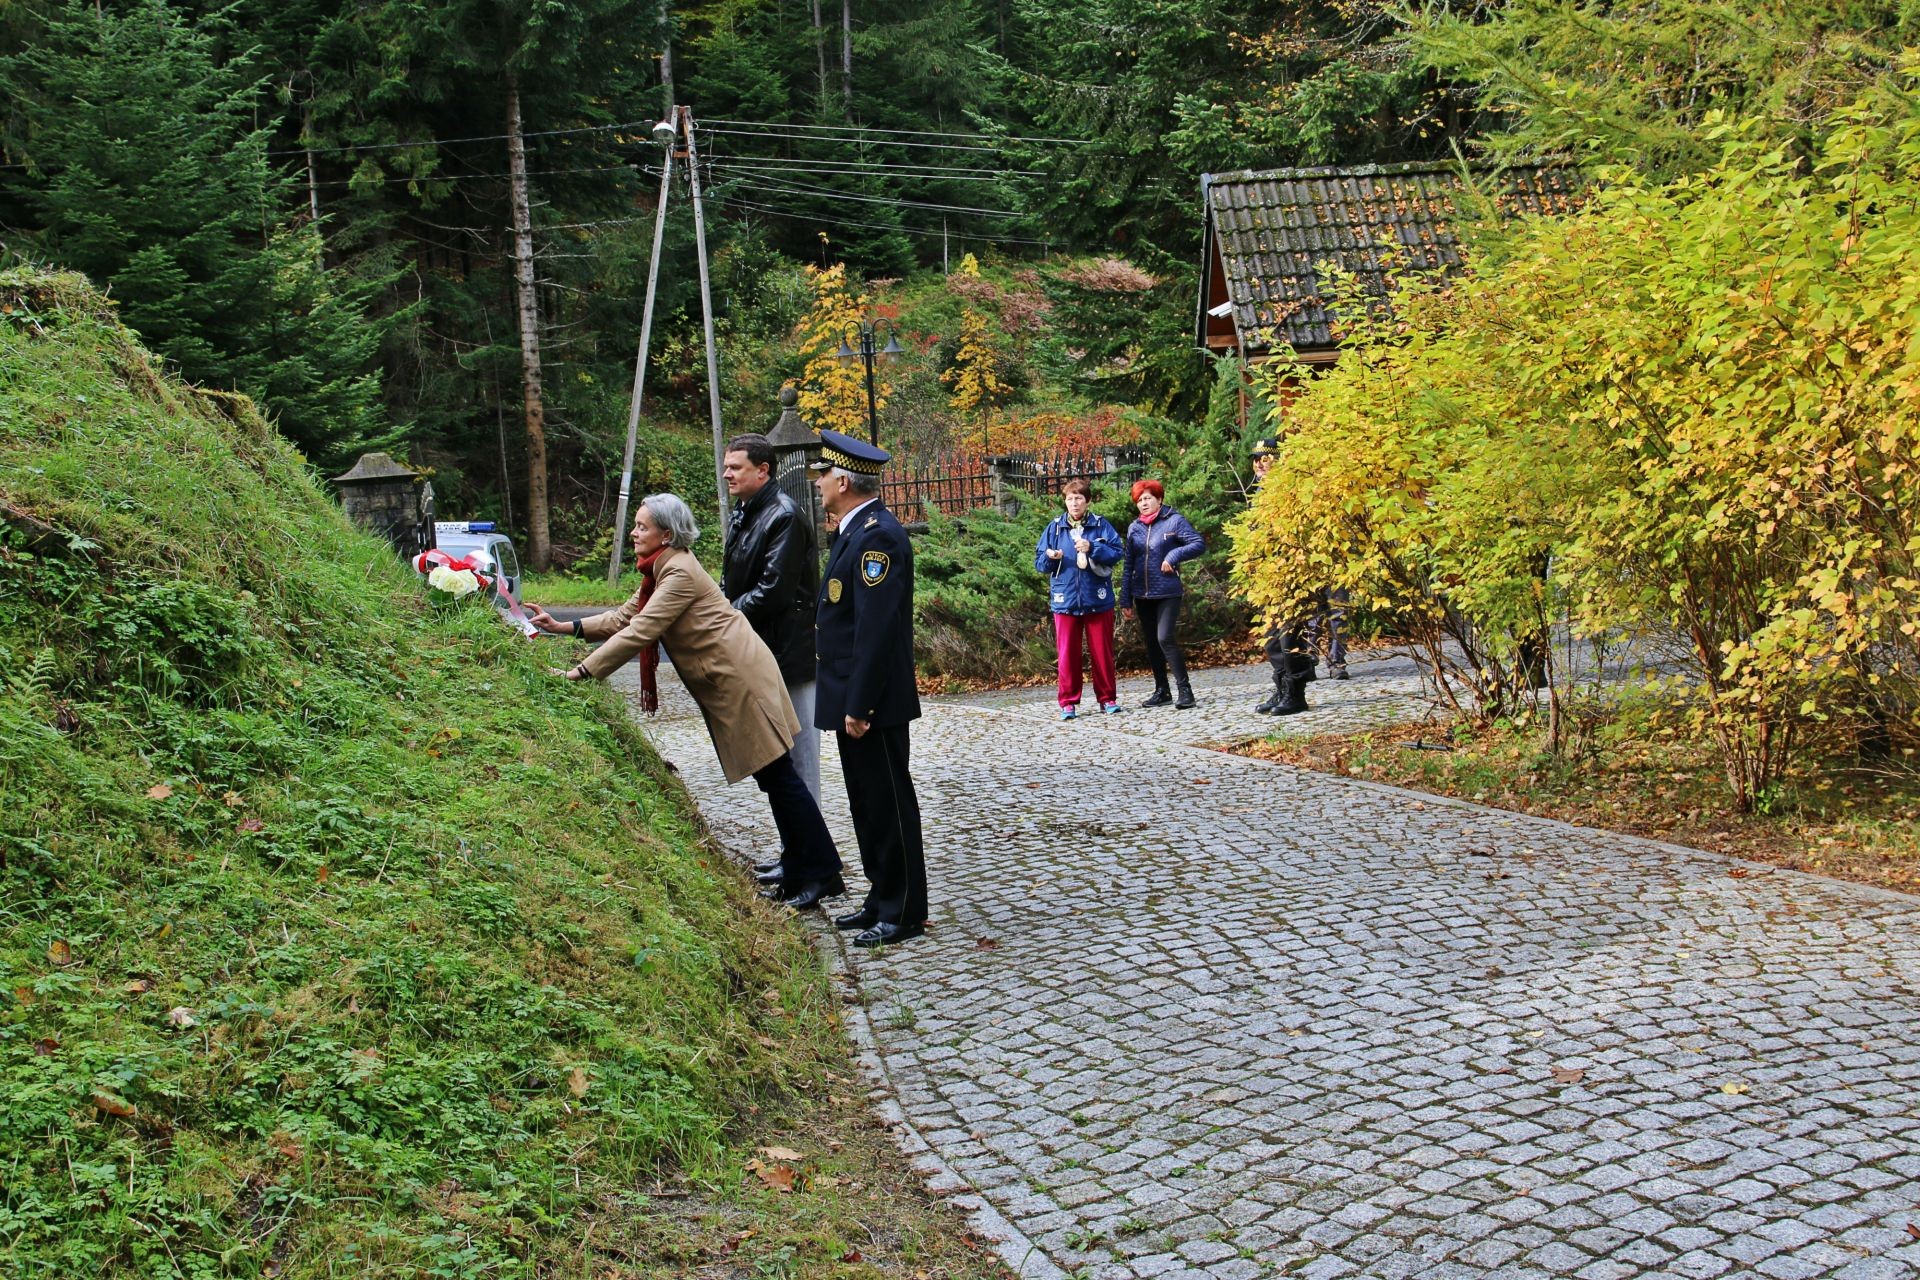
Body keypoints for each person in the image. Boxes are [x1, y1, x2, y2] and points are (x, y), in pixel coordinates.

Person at [524, 494, 845, 910]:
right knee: (774, 780)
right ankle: (799, 864)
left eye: (642, 526)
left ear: (666, 534)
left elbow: (641, 630)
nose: (635, 533)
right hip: (732, 679)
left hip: (740, 680)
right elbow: (627, 616)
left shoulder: (677, 572)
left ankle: (821, 873)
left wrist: (581, 672)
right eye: (636, 525)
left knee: (780, 779)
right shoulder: (662, 569)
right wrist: (566, 626)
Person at [810, 430, 928, 949]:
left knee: (887, 801)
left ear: (842, 480)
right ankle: (881, 895)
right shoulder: (854, 531)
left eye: (821, 476)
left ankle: (902, 909)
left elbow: (875, 632)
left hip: (872, 701)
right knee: (864, 801)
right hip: (853, 696)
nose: (816, 484)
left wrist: (860, 704)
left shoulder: (877, 536)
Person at [719, 433, 821, 889]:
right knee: (777, 762)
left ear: (763, 470)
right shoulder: (750, 512)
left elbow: (775, 589)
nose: (727, 475)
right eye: (726, 467)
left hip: (789, 654)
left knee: (798, 763)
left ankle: (810, 861)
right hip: (763, 651)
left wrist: (720, 618)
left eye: (735, 467)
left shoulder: (783, 516)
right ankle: (794, 853)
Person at [1033, 478, 1125, 718]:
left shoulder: (1101, 525)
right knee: (1067, 655)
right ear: (1065, 502)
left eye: (1079, 498)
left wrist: (1093, 547)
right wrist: (1051, 556)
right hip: (1065, 602)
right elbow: (1039, 563)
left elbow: (1117, 553)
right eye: (1070, 499)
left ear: (1088, 501)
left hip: (1098, 599)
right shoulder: (1054, 528)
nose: (1074, 503)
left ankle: (1108, 699)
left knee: (1102, 653)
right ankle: (1068, 702)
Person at [1118, 478, 1206, 710]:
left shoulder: (1174, 521)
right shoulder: (1134, 527)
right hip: (1142, 595)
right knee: (1151, 643)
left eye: (1148, 498)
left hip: (1167, 591)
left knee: (1164, 637)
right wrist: (1125, 598)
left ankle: (1185, 690)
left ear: (1159, 499)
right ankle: (1162, 690)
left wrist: (1173, 556)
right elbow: (1128, 565)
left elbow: (1198, 543)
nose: (1144, 503)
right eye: (1139, 500)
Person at [1247, 437, 1312, 715]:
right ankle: (1282, 687)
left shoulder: (1289, 491)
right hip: (1266, 577)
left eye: (1268, 458)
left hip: (1288, 574)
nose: (1261, 464)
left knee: (1289, 637)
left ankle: (1296, 693)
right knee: (1272, 638)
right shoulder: (1258, 493)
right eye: (1257, 459)